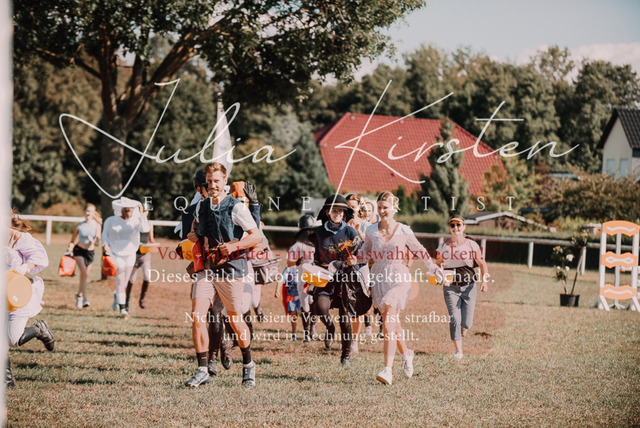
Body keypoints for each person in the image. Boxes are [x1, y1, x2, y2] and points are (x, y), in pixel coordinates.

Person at [186, 162, 261, 388]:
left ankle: (248, 365)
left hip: (231, 269)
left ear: (225, 182)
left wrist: (234, 246)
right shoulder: (201, 206)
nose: (212, 185)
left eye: (217, 181)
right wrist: (193, 234)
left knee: (235, 319)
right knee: (197, 316)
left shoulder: (236, 207)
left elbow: (255, 236)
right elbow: (196, 227)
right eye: (209, 182)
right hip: (207, 268)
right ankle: (202, 370)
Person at [357, 191, 440, 385]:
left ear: (394, 208)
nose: (382, 211)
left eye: (385, 207)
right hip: (379, 278)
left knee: (388, 322)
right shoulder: (371, 230)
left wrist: (433, 268)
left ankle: (387, 371)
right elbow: (365, 252)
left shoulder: (403, 230)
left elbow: (419, 250)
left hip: (399, 278)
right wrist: (354, 257)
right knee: (393, 324)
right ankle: (406, 354)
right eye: (379, 207)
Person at [308, 195, 371, 366]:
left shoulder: (350, 231)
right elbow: (314, 256)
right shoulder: (318, 232)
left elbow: (361, 254)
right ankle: (330, 327)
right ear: (327, 212)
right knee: (320, 308)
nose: (337, 213)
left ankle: (346, 355)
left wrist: (353, 261)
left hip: (345, 279)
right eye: (334, 210)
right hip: (325, 278)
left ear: (344, 213)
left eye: (341, 211)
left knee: (345, 318)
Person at [6, 210, 55, 387]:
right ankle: (6, 379)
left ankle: (39, 329)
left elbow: (39, 257)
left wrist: (25, 267)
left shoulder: (19, 238)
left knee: (13, 340)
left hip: (14, 293)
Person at [433, 214, 489, 360]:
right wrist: (438, 274)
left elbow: (482, 264)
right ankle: (458, 350)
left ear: (464, 227)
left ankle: (464, 328)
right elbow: (437, 264)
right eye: (452, 225)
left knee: (467, 323)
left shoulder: (471, 245)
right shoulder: (443, 247)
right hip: (450, 287)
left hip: (469, 287)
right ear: (449, 227)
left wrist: (484, 281)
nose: (455, 228)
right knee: (454, 319)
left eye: (459, 225)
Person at [102, 197, 150, 319]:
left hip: (130, 254)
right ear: (121, 210)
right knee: (120, 279)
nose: (128, 213)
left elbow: (145, 229)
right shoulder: (111, 221)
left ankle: (117, 295)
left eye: (130, 210)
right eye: (126, 210)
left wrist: (142, 215)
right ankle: (123, 310)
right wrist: (105, 244)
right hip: (115, 253)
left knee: (124, 281)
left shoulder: (136, 220)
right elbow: (105, 234)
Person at [286, 215, 317, 342]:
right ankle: (307, 332)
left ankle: (312, 327)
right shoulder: (298, 245)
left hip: (314, 275)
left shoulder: (317, 243)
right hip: (304, 276)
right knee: (306, 303)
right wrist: (296, 262)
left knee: (312, 302)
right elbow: (289, 261)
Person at [67, 203, 102, 309]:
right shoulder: (79, 225)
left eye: (91, 211)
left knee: (84, 277)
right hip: (79, 251)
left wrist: (93, 242)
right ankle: (85, 299)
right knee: (84, 272)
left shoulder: (97, 225)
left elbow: (97, 243)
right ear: (84, 212)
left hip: (90, 253)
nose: (88, 213)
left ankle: (79, 296)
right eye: (87, 211)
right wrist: (70, 248)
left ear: (94, 213)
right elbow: (72, 241)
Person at [126, 205, 155, 310]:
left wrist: (155, 245)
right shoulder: (133, 223)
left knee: (147, 276)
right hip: (134, 254)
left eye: (145, 211)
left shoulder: (149, 224)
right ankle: (127, 301)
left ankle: (142, 299)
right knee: (131, 279)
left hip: (145, 254)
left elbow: (151, 239)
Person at [275, 265, 301, 340]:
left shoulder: (303, 268)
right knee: (293, 315)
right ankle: (294, 333)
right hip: (291, 296)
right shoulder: (288, 270)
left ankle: (308, 330)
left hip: (301, 296)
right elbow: (281, 279)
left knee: (301, 313)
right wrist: (277, 290)